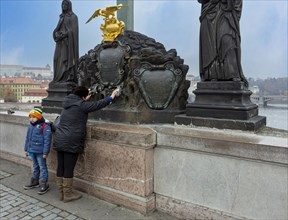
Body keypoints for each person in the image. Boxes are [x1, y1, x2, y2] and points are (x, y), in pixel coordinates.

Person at [53, 86, 119, 202]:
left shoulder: (67, 104)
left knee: (61, 166)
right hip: (71, 140)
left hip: (60, 138)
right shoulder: (82, 105)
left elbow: (80, 104)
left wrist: (85, 98)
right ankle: (67, 194)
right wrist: (111, 96)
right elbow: (98, 104)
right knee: (68, 168)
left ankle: (61, 193)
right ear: (82, 97)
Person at [198, 0, 248, 87]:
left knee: (228, 41)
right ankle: (212, 75)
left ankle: (232, 73)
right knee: (210, 45)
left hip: (226, 13)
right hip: (209, 12)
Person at [23, 107, 52, 195]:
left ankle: (44, 183)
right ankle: (35, 181)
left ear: (39, 117)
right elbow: (28, 138)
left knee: (43, 167)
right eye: (30, 117)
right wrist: (26, 149)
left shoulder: (45, 126)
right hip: (32, 150)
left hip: (40, 152)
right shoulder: (31, 126)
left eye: (34, 117)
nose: (32, 119)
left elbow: (47, 140)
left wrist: (45, 152)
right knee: (35, 166)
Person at [53, 0, 79, 83]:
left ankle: (68, 77)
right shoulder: (61, 17)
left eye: (65, 4)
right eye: (62, 4)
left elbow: (73, 31)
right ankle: (58, 79)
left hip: (68, 45)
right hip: (60, 43)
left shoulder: (73, 17)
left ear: (69, 6)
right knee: (56, 59)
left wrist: (65, 34)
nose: (64, 6)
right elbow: (57, 29)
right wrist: (56, 34)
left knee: (66, 61)